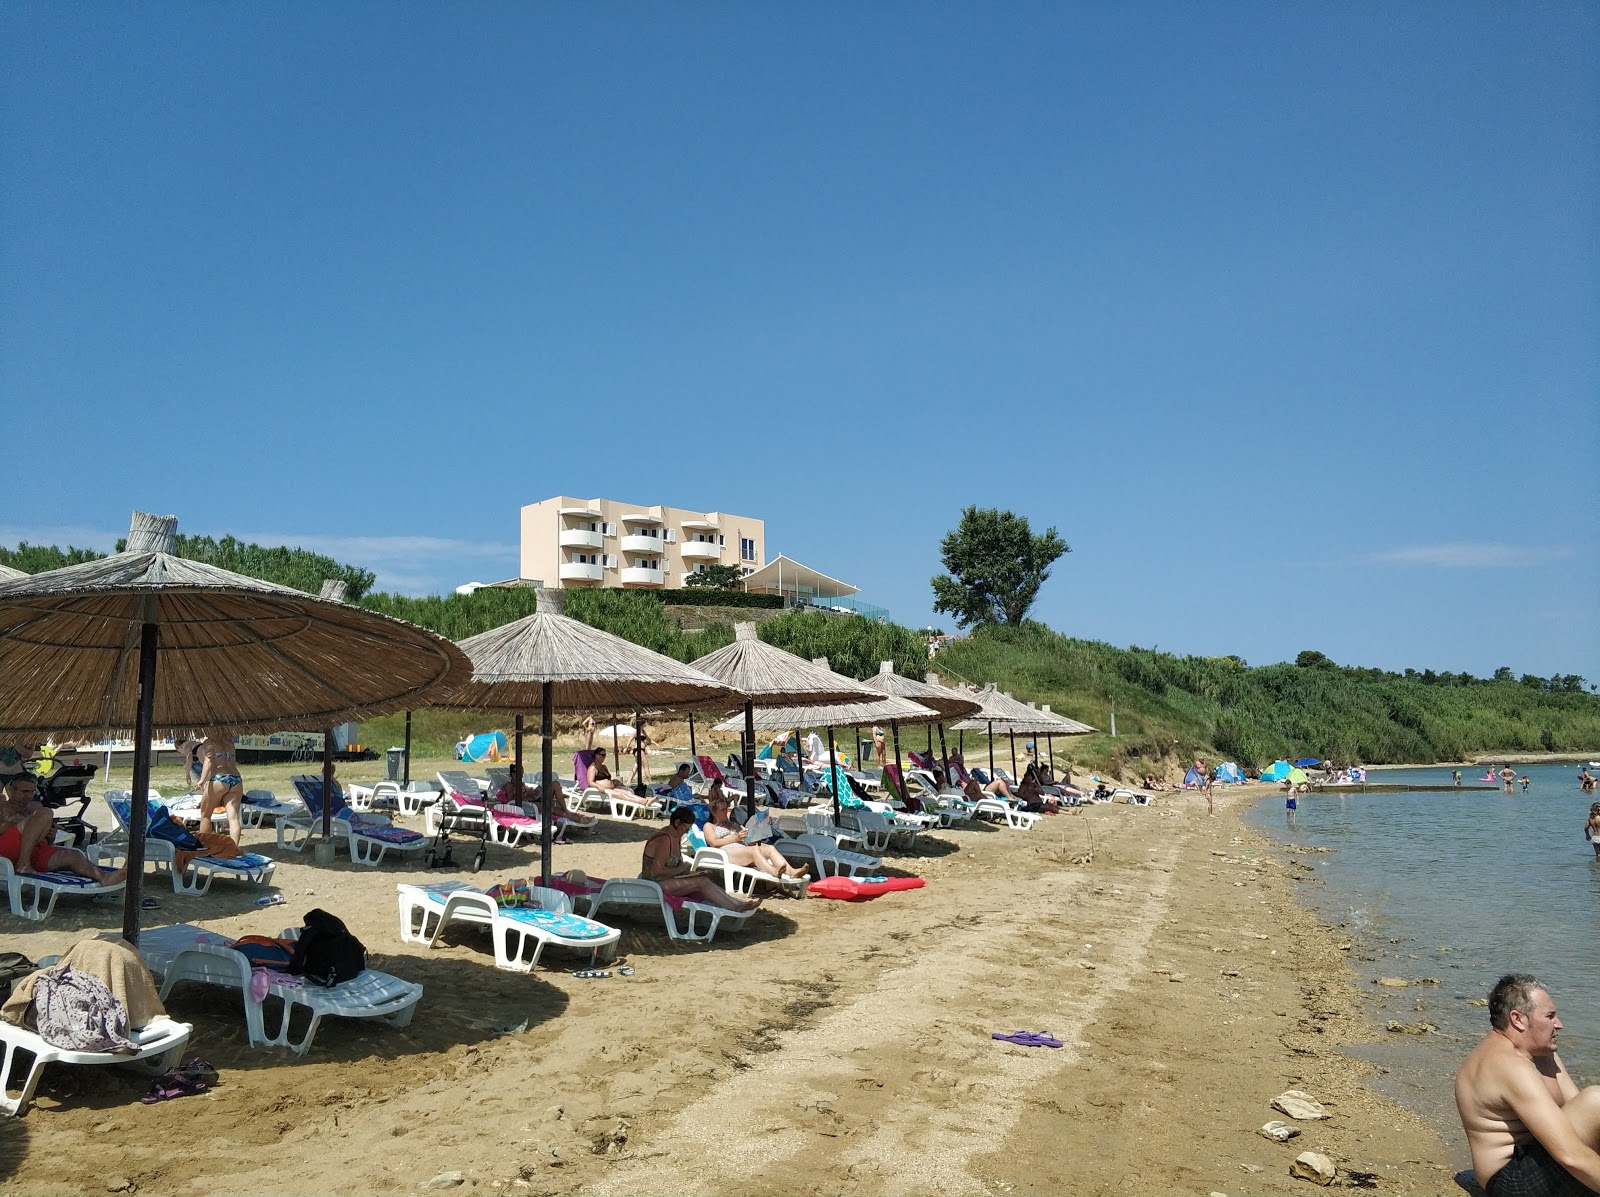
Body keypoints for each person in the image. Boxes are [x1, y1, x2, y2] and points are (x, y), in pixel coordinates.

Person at [1455, 973, 1600, 1196]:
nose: (1559, 1025)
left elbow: (1583, 1117)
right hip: (1511, 1182)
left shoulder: (1540, 1052)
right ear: (1518, 1019)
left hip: (1538, 1158)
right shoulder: (1508, 1066)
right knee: (1595, 1100)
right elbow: (1570, 1155)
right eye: (1550, 1016)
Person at [0, 770, 126, 885]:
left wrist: (50, 835)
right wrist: (25, 825)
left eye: (32, 792)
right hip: (7, 849)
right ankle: (23, 864)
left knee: (74, 855)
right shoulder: (3, 806)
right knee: (46, 812)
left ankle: (104, 877)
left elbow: (48, 842)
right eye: (24, 791)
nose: (28, 796)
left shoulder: (34, 807)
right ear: (12, 790)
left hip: (35, 852)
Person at [640, 806, 759, 912]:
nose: (686, 832)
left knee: (703, 878)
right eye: (686, 829)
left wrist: (690, 872)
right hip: (653, 885)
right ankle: (735, 906)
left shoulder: (675, 837)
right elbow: (656, 871)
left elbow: (673, 867)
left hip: (665, 881)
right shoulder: (665, 839)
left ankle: (737, 903)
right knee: (701, 882)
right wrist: (681, 869)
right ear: (677, 823)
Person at [702, 793, 806, 881]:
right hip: (725, 853)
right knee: (754, 850)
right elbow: (713, 843)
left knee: (769, 848)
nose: (726, 811)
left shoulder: (732, 824)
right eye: (722, 810)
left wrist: (761, 829)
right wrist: (735, 838)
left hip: (743, 849)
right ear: (714, 812)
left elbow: (749, 843)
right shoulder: (709, 826)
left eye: (726, 808)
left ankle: (792, 872)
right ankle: (773, 871)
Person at [195, 730, 245, 842]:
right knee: (233, 817)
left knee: (206, 815)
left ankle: (204, 846)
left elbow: (209, 760)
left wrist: (202, 780)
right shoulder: (230, 741)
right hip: (235, 778)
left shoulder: (210, 742)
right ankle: (234, 848)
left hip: (219, 777)